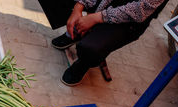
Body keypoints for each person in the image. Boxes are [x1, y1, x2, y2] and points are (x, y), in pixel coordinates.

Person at [38, 0, 169, 86]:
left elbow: (139, 9)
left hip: (129, 21)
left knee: (90, 48)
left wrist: (96, 18)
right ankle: (74, 31)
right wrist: (78, 7)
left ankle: (84, 63)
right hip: (105, 2)